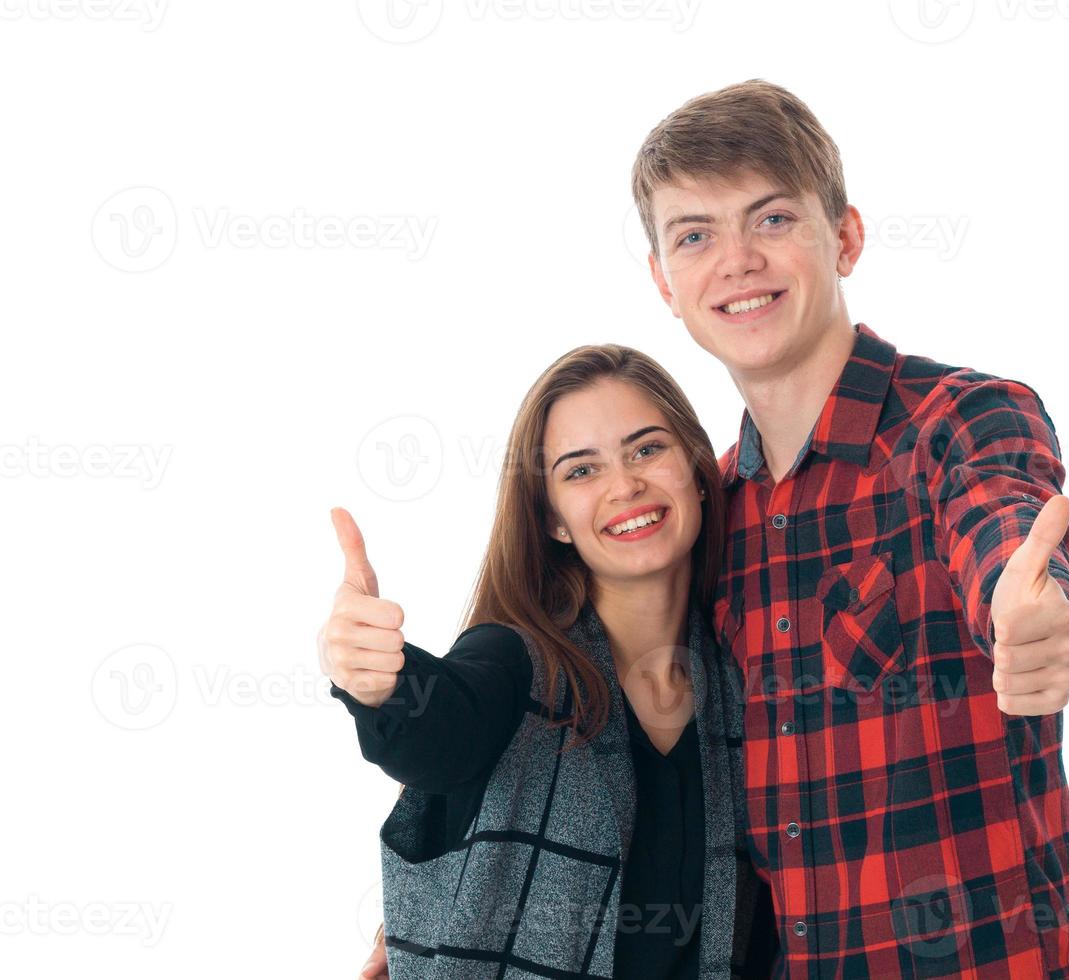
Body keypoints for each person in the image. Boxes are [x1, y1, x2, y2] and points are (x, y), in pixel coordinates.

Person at [362, 78, 1069, 978]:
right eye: (695, 235)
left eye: (770, 220)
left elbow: (1004, 531)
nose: (736, 261)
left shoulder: (959, 421)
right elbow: (658, 788)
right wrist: (450, 921)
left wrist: (1030, 611)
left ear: (842, 237)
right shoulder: (710, 516)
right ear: (665, 281)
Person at [321, 345, 777, 979]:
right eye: (581, 471)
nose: (625, 486)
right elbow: (440, 738)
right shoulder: (515, 661)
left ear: (699, 472)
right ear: (554, 522)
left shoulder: (743, 682)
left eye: (647, 449)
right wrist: (378, 684)